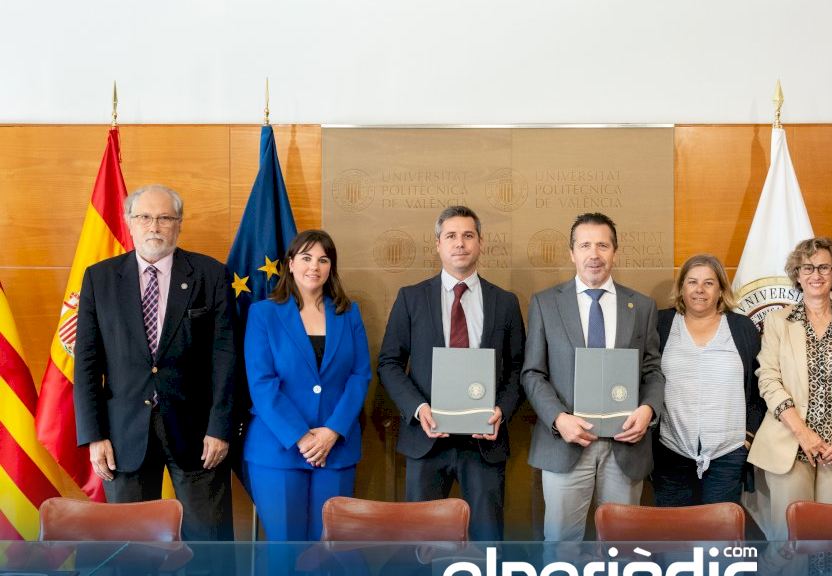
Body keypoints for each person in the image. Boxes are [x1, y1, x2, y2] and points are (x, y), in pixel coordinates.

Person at [75, 184, 237, 541]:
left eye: (165, 218)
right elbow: (86, 363)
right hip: (122, 434)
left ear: (179, 224)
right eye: (145, 217)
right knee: (130, 547)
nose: (154, 226)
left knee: (210, 545)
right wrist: (94, 435)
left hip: (199, 434)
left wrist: (220, 428)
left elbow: (225, 358)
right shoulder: (99, 278)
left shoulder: (211, 275)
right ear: (129, 222)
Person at [378, 206, 525, 542]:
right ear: (438, 244)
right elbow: (389, 362)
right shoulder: (411, 298)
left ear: (481, 243)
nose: (460, 243)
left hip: (484, 443)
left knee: (487, 541)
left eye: (468, 235)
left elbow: (518, 367)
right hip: (426, 440)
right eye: (451, 236)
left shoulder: (505, 302)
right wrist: (418, 409)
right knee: (422, 543)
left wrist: (502, 410)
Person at [522, 212, 665, 542]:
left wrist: (648, 410)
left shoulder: (641, 306)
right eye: (585, 245)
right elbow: (532, 373)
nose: (594, 254)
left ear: (615, 252)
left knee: (621, 550)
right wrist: (559, 419)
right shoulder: (545, 303)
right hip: (565, 444)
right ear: (572, 253)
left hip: (625, 446)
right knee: (561, 549)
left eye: (602, 245)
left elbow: (653, 371)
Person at [746, 237, 832, 541]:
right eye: (807, 268)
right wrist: (802, 433)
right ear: (797, 274)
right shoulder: (777, 321)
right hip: (791, 445)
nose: (815, 274)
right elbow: (768, 379)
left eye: (823, 267)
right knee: (791, 540)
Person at [242, 230, 371, 541]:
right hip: (278, 450)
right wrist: (301, 437)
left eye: (323, 260)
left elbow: (359, 375)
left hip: (335, 450)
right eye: (306, 257)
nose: (314, 266)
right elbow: (262, 384)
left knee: (330, 548)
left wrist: (332, 431)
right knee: (286, 551)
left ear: (331, 267)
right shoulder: (263, 313)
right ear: (290, 263)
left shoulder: (348, 313)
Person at [653, 254, 766, 506]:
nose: (700, 290)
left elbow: (759, 389)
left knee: (719, 529)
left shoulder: (742, 328)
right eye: (692, 282)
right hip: (671, 452)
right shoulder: (661, 324)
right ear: (681, 288)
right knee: (672, 529)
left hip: (728, 454)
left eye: (709, 283)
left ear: (721, 290)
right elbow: (646, 378)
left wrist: (748, 437)